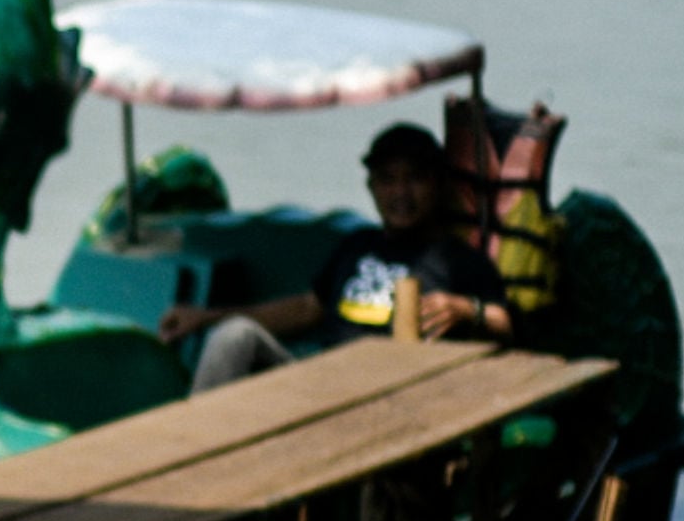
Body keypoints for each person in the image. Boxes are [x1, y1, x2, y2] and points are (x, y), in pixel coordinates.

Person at [158, 122, 511, 389]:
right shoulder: (358, 245)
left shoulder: (457, 259)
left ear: (437, 185)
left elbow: (506, 321)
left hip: (396, 394)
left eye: (414, 179)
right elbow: (306, 309)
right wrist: (205, 317)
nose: (401, 192)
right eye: (388, 180)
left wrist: (467, 310)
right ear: (372, 187)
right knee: (234, 335)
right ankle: (192, 447)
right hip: (319, 384)